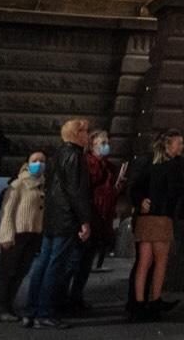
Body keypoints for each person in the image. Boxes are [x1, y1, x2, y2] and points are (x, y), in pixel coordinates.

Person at [124, 127, 184, 320]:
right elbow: (176, 190)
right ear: (169, 145)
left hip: (146, 217)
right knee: (160, 261)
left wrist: (140, 200)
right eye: (179, 143)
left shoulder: (148, 162)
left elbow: (135, 186)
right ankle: (154, 300)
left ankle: (139, 303)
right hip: (161, 216)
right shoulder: (174, 165)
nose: (182, 146)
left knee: (144, 261)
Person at [64, 128, 119, 314]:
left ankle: (75, 297)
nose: (106, 146)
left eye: (107, 142)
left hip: (101, 218)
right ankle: (61, 298)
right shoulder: (88, 163)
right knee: (75, 260)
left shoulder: (107, 166)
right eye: (102, 143)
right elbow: (87, 188)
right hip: (89, 216)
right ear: (92, 145)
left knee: (86, 263)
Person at [0, 150, 45, 323]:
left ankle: (9, 305)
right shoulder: (18, 184)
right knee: (7, 272)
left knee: (21, 271)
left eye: (42, 161)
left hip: (33, 234)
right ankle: (0, 308)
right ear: (27, 163)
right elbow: (7, 212)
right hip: (16, 234)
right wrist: (5, 235)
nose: (39, 163)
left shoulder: (44, 184)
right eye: (35, 160)